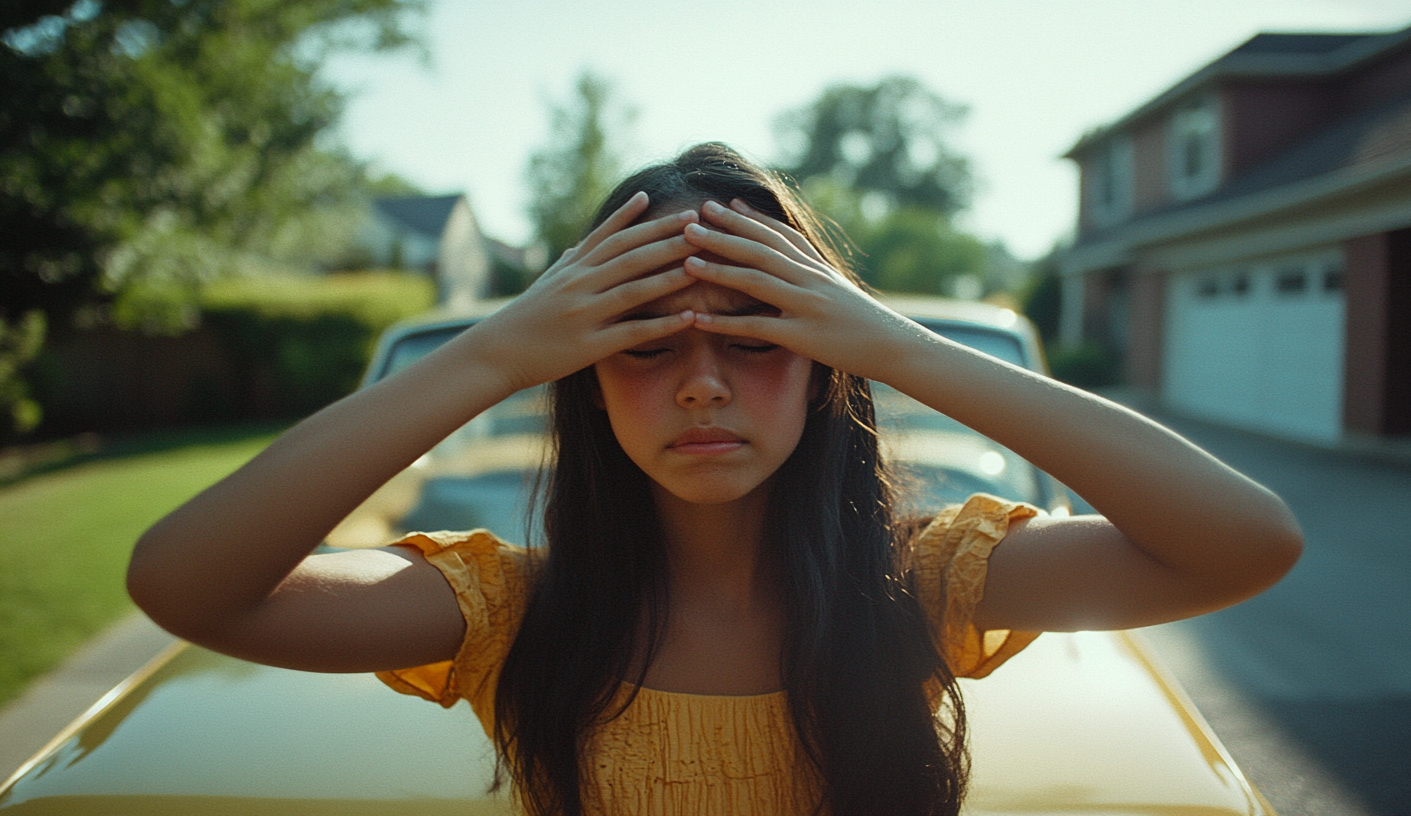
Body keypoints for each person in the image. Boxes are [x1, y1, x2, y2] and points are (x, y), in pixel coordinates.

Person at [127, 142, 1303, 816]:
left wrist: (893, 344)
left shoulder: (921, 582)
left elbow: (1248, 542)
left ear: (821, 365)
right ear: (585, 376)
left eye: (754, 336)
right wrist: (493, 350)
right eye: (644, 341)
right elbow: (185, 582)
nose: (700, 383)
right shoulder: (510, 611)